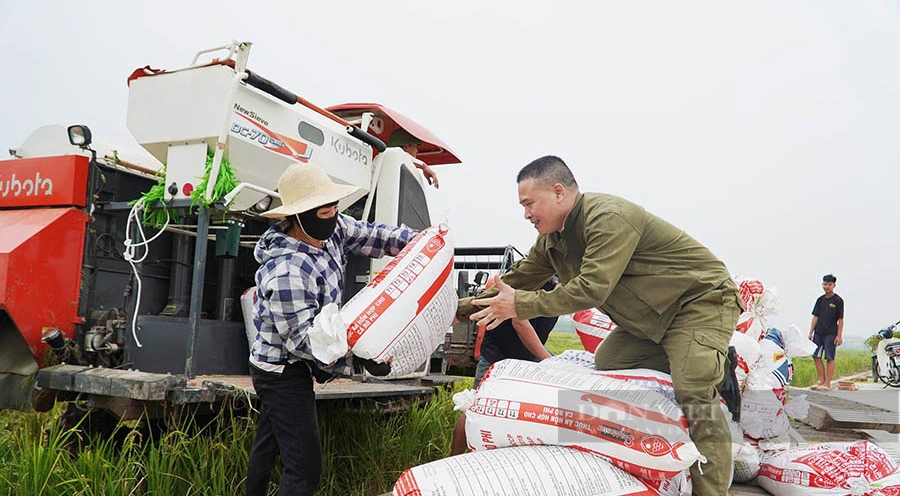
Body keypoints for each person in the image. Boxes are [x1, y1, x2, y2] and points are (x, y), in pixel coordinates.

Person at [456, 155, 743, 496]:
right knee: (609, 360)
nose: (526, 214)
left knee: (693, 386)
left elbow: (591, 288)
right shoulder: (553, 242)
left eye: (529, 203)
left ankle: (711, 488)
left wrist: (519, 304)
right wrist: (458, 309)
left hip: (698, 302)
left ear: (558, 192)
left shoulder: (608, 218)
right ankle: (704, 357)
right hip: (650, 322)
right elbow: (519, 278)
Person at [246, 162, 419, 496]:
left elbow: (373, 235)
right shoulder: (287, 272)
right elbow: (305, 344)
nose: (332, 217)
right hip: (282, 371)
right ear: (298, 217)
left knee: (267, 447)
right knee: (305, 469)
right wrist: (361, 359)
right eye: (324, 212)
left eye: (334, 209)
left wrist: (421, 244)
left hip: (289, 362)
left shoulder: (332, 228)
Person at [449, 278, 559, 456]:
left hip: (526, 360)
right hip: (497, 359)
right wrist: (549, 360)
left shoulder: (555, 291)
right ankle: (454, 460)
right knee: (474, 409)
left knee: (515, 415)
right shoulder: (525, 284)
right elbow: (520, 324)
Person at [808, 274, 844, 391]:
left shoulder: (838, 300)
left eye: (829, 284)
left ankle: (827, 383)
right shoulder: (820, 300)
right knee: (816, 356)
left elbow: (841, 319)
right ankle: (821, 381)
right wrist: (811, 332)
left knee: (829, 357)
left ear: (834, 285)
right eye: (825, 284)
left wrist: (839, 336)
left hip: (831, 333)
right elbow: (815, 317)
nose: (826, 286)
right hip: (819, 332)